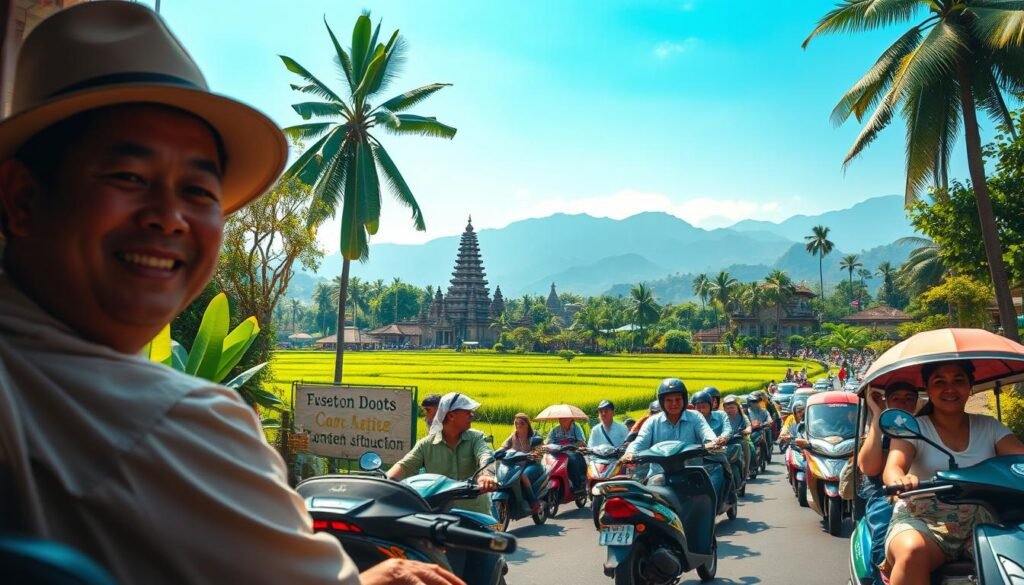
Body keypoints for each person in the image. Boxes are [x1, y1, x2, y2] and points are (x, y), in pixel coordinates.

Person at [0, 3, 459, 584]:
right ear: (22, 198)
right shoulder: (176, 425)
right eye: (127, 177)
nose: (169, 217)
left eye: (197, 189)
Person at [882, 361, 1024, 585]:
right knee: (911, 552)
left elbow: (1019, 461)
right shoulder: (913, 429)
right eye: (940, 382)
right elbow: (893, 466)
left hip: (984, 520)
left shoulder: (990, 427)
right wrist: (900, 479)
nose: (950, 388)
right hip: (922, 518)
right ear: (928, 389)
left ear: (970, 386)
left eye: (958, 380)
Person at [388, 393, 498, 516]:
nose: (471, 415)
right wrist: (386, 483)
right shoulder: (426, 445)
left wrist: (487, 476)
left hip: (475, 515)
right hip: (440, 516)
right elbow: (404, 466)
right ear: (451, 415)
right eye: (467, 412)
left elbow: (486, 456)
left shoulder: (476, 438)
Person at [856, 382, 920, 585]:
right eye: (896, 398)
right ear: (886, 401)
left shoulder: (923, 427)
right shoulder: (881, 428)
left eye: (909, 398)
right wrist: (877, 415)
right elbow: (869, 468)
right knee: (883, 537)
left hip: (927, 490)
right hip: (884, 492)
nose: (903, 403)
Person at [500, 412, 543, 513]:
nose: (519, 425)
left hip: (532, 464)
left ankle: (534, 502)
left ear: (528, 424)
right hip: (516, 465)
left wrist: (534, 454)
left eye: (522, 423)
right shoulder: (514, 435)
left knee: (522, 476)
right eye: (517, 423)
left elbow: (540, 450)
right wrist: (497, 452)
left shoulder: (534, 436)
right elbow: (504, 446)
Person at [546, 416, 587, 491]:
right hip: (558, 453)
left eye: (564, 418)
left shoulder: (576, 428)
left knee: (572, 460)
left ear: (571, 419)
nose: (561, 419)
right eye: (560, 418)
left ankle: (577, 484)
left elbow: (581, 442)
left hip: (572, 452)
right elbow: (548, 443)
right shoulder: (554, 430)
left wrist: (571, 446)